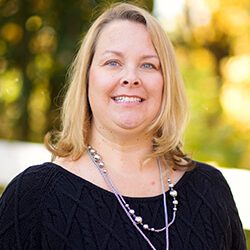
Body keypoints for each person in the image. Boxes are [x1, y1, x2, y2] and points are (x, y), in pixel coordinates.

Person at [0, 2, 246, 250]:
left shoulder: (210, 190)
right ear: (87, 78)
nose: (131, 77)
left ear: (166, 83)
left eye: (148, 64)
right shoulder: (34, 197)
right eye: (113, 62)